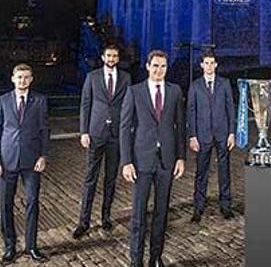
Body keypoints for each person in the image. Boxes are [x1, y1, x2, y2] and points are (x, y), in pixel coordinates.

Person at [120, 50, 186, 267]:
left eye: (163, 66)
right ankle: (135, 261)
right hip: (141, 161)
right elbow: (125, 128)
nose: (159, 70)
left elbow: (179, 128)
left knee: (161, 213)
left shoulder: (175, 91)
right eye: (155, 66)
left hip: (166, 161)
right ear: (148, 67)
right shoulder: (135, 92)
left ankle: (155, 258)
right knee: (139, 215)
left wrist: (181, 158)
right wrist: (126, 161)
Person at [0, 63, 50, 264]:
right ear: (13, 78)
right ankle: (9, 246)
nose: (23, 80)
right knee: (6, 204)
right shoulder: (2, 101)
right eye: (19, 77)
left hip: (32, 162)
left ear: (31, 79)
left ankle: (32, 246)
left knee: (32, 202)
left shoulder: (40, 101)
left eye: (26, 77)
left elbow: (44, 131)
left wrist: (43, 156)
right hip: (7, 161)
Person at [73, 45, 132, 239]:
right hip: (95, 133)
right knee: (90, 179)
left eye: (115, 55)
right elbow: (85, 104)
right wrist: (84, 132)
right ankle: (84, 221)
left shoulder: (125, 77)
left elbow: (126, 105)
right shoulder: (92, 77)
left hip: (115, 135)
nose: (112, 58)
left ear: (118, 58)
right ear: (103, 56)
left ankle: (106, 217)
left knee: (111, 179)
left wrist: (128, 127)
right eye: (109, 55)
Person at [186, 50, 236, 222]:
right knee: (201, 172)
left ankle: (226, 206)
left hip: (222, 134)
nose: (209, 66)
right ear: (201, 65)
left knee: (224, 171)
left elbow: (230, 108)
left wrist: (231, 133)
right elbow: (191, 111)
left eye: (211, 63)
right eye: (206, 63)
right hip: (203, 135)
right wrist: (192, 136)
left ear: (216, 65)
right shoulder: (195, 86)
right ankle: (198, 207)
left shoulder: (225, 83)